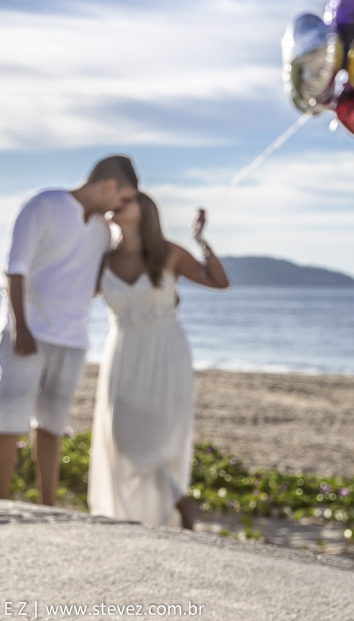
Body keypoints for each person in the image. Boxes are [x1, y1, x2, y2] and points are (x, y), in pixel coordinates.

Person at [0, 155, 139, 506]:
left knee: (53, 426)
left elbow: (92, 283)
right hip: (26, 334)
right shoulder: (43, 204)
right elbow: (15, 268)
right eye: (123, 197)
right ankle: (1, 501)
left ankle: (48, 505)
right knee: (9, 421)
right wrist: (21, 327)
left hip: (72, 340)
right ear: (109, 186)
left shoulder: (103, 231)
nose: (120, 206)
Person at [88, 192, 229, 529]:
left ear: (145, 211)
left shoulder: (168, 252)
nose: (119, 202)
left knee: (158, 437)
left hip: (166, 350)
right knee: (121, 434)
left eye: (128, 199)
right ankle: (179, 501)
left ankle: (176, 505)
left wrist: (200, 239)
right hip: (122, 351)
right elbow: (74, 295)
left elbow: (219, 282)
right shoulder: (104, 260)